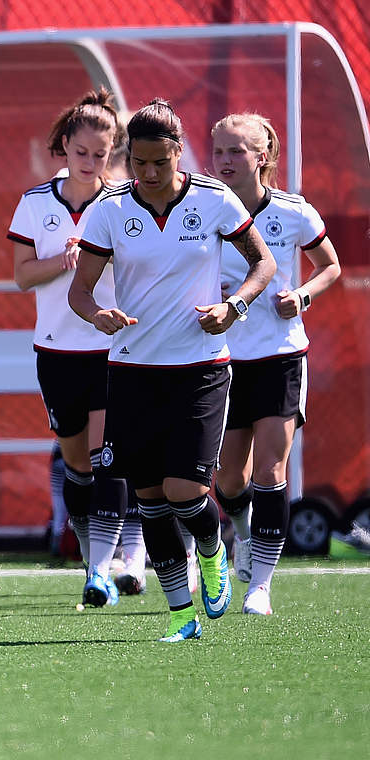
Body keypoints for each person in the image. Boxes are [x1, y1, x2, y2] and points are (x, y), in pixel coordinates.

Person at [70, 98, 275, 642]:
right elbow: (80, 291)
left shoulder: (212, 200)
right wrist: (98, 315)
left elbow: (263, 263)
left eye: (161, 162)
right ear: (127, 159)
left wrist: (235, 307)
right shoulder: (110, 209)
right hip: (133, 372)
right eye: (140, 163)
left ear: (178, 154)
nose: (151, 173)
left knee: (186, 489)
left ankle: (211, 552)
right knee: (150, 500)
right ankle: (181, 616)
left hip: (200, 369)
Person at [210, 113, 341, 615]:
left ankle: (260, 586)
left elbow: (329, 265)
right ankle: (241, 532)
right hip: (222, 361)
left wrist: (301, 296)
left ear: (263, 156)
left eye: (237, 151)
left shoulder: (293, 212)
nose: (225, 160)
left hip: (281, 356)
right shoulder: (202, 207)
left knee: (272, 466)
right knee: (227, 479)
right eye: (219, 150)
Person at [7, 88, 132, 607]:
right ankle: (90, 554)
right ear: (64, 146)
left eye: (100, 155)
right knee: (77, 464)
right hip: (56, 350)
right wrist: (62, 259)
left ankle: (108, 566)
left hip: (111, 346)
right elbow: (21, 276)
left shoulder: (123, 203)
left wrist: (100, 260)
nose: (90, 162)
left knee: (108, 458)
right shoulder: (37, 203)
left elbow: (137, 268)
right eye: (81, 152)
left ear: (113, 155)